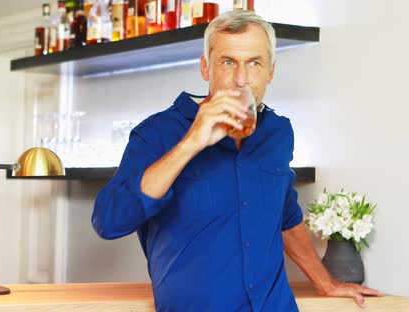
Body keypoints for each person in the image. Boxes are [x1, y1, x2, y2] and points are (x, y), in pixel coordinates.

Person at [91, 10, 383, 311]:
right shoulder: (158, 133)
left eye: (254, 63)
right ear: (206, 67)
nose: (240, 80)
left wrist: (325, 281)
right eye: (228, 62)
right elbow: (109, 221)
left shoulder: (278, 132)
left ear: (270, 71)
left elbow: (284, 215)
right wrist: (192, 142)